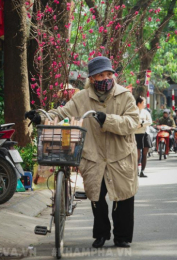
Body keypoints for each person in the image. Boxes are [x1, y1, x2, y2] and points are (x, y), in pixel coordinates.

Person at [25, 56, 139, 249]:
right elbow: (61, 113)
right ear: (92, 78)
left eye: (108, 74)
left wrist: (108, 120)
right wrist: (40, 116)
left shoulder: (125, 96)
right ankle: (101, 234)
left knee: (124, 196)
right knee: (97, 196)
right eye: (101, 75)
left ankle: (122, 237)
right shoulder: (81, 98)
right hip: (93, 156)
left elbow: (132, 122)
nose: (106, 78)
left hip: (120, 155)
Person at [135, 96, 152, 178]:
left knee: (145, 153)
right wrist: (142, 123)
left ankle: (142, 171)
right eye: (143, 103)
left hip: (145, 133)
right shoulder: (133, 111)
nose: (145, 104)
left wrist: (141, 124)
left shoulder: (146, 112)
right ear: (139, 103)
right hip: (137, 134)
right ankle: (135, 171)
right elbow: (133, 122)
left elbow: (150, 121)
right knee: (137, 154)